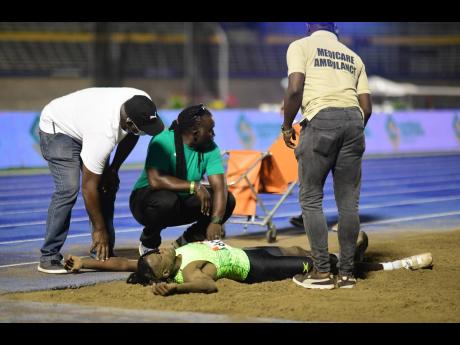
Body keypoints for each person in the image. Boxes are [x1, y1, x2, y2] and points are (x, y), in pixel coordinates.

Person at [281, 22, 373, 289]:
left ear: (309, 25)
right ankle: (346, 274)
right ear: (335, 27)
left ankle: (321, 272)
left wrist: (287, 126)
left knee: (311, 198)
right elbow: (366, 108)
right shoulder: (354, 57)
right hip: (354, 120)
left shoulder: (301, 46)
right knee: (348, 204)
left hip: (320, 117)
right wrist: (349, 131)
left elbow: (295, 89)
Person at [37, 87, 164, 274]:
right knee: (69, 189)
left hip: (83, 121)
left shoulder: (141, 101)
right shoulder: (102, 134)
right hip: (58, 128)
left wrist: (114, 169)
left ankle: (102, 253)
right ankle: (49, 256)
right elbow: (89, 188)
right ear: (129, 122)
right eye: (142, 129)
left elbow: (131, 137)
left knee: (107, 186)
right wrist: (99, 229)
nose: (146, 132)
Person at [63, 231, 433, 294]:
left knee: (298, 249)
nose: (159, 249)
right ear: (163, 271)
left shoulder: (166, 257)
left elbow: (125, 265)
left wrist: (84, 262)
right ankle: (372, 264)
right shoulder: (188, 269)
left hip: (249, 254)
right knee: (315, 266)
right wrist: (176, 287)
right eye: (158, 256)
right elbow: (208, 284)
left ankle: (346, 256)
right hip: (256, 271)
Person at [129, 104, 236, 255]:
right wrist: (195, 186)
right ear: (195, 132)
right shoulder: (162, 141)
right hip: (147, 202)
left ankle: (186, 242)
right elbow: (155, 180)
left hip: (181, 201)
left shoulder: (211, 148)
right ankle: (149, 242)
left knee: (228, 200)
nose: (213, 134)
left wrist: (216, 221)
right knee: (167, 201)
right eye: (210, 130)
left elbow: (220, 188)